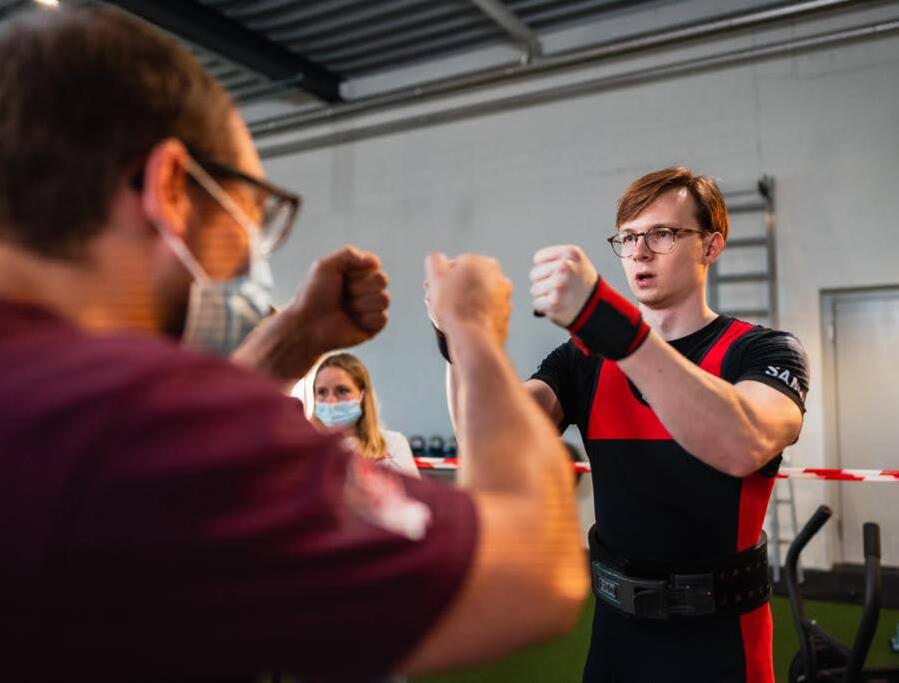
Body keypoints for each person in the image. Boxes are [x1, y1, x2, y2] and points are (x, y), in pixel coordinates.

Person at [0, 7, 588, 682]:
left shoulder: (66, 409)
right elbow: (530, 572)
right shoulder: (124, 413)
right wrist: (473, 331)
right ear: (169, 187)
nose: (250, 258)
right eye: (249, 216)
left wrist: (289, 345)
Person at [433, 167, 810, 682]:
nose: (639, 252)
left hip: (721, 643)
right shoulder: (584, 359)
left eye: (663, 233)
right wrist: (458, 334)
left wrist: (608, 323)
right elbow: (488, 440)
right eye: (629, 237)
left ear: (711, 245)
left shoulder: (763, 351)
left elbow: (742, 443)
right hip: (617, 640)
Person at [312, 352, 420, 478]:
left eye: (342, 391)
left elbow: (410, 495)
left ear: (362, 395)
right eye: (322, 392)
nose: (331, 400)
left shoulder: (393, 443)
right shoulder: (304, 448)